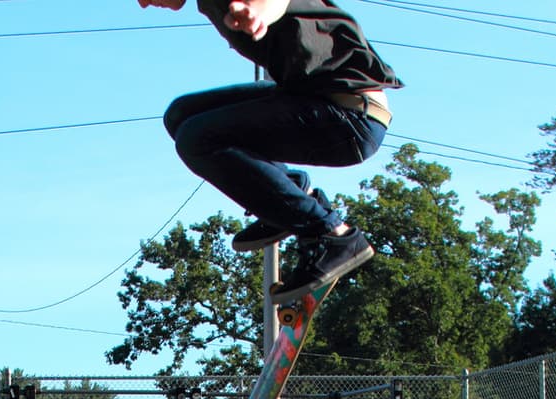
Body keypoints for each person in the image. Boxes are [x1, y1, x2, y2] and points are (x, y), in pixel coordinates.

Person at [140, 0, 400, 303]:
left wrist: (262, 8)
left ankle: (330, 234)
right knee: (181, 115)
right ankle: (287, 194)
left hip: (349, 116)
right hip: (316, 101)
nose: (145, 4)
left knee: (197, 138)